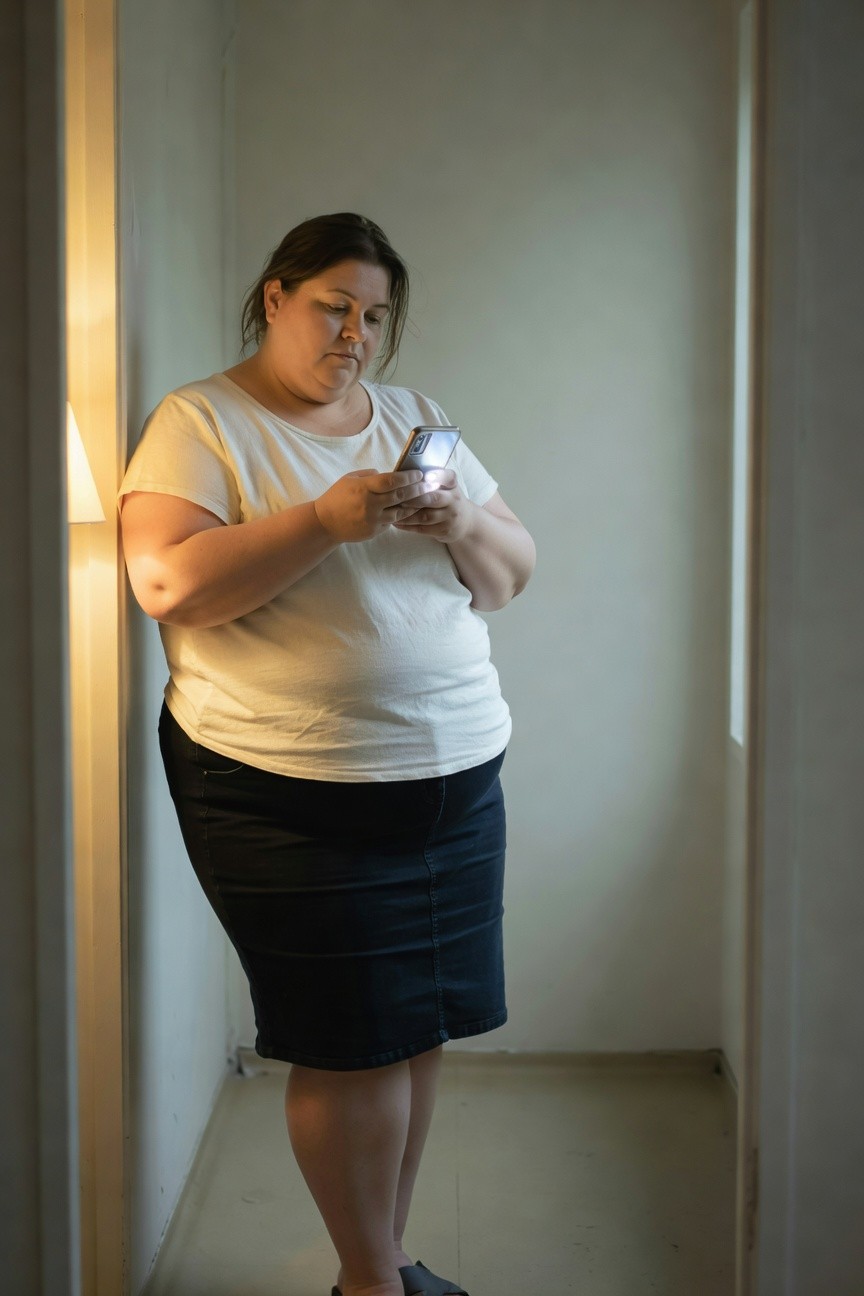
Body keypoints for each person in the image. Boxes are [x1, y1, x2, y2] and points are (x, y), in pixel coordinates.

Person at [119, 212, 536, 1296]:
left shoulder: (415, 416)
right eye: (333, 306)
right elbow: (165, 584)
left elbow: (511, 572)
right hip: (285, 788)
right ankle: (372, 1284)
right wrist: (323, 519)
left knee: (419, 1030)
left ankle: (379, 1263)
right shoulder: (200, 421)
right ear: (276, 297)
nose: (355, 333)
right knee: (348, 1042)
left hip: (455, 780)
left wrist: (455, 526)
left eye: (375, 316)